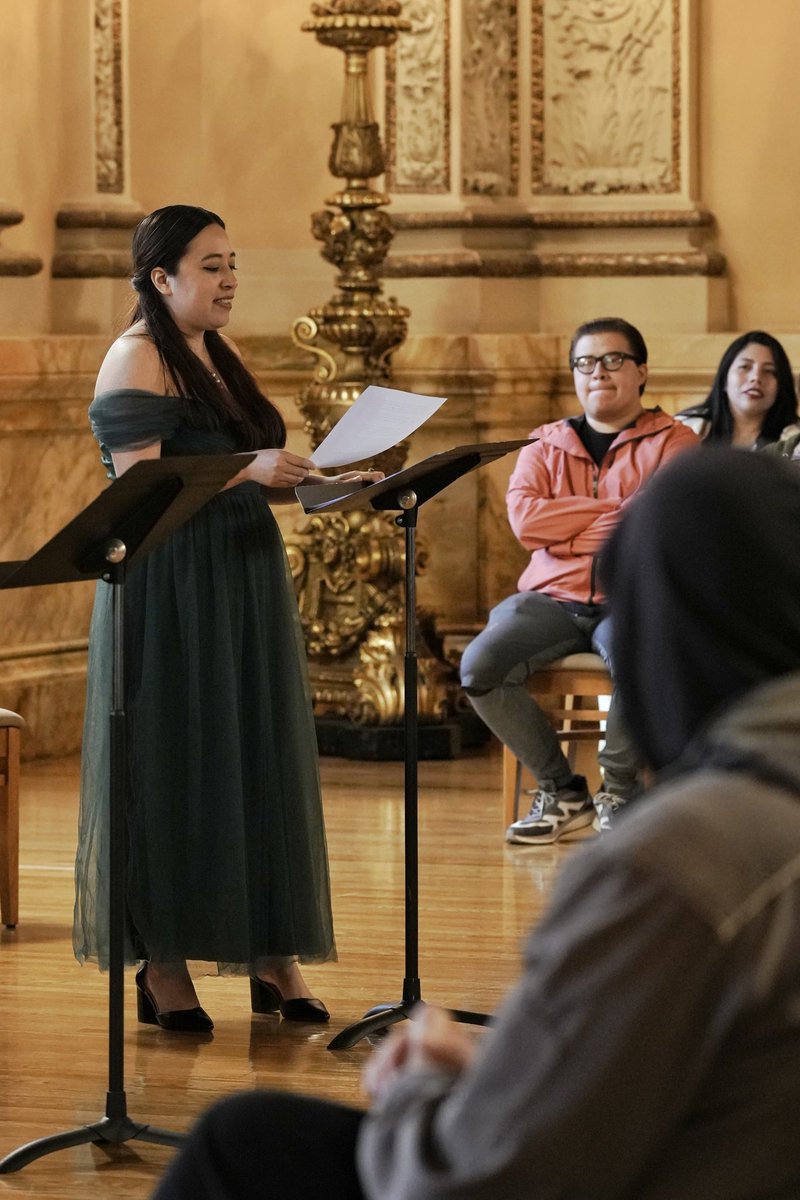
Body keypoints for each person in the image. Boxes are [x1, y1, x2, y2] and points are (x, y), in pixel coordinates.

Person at [150, 447, 800, 1200]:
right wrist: (508, 1074)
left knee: (241, 1143)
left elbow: (473, 1181)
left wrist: (423, 1084)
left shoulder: (672, 860)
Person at [73, 204, 381, 1031]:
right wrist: (251, 467)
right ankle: (164, 966)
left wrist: (318, 480)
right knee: (176, 757)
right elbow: (141, 483)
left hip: (241, 572)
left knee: (252, 753)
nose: (230, 278)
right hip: (170, 578)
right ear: (160, 278)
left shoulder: (218, 352)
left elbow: (245, 467)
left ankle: (271, 956)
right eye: (211, 265)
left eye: (232, 262)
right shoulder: (132, 357)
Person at [459, 316, 697, 843]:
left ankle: (620, 793)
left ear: (642, 372)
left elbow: (649, 526)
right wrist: (612, 512)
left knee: (645, 650)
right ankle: (563, 793)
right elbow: (526, 524)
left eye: (613, 360)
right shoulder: (543, 445)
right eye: (586, 363)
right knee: (479, 667)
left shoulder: (677, 443)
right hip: (551, 598)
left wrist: (564, 525)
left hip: (630, 597)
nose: (599, 372)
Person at [675, 329, 798, 447]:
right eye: (745, 367)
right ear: (724, 380)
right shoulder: (686, 428)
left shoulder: (795, 440)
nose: (755, 377)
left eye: (769, 371)